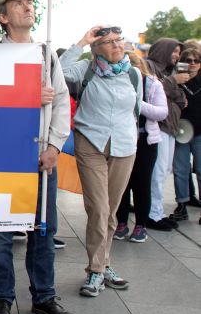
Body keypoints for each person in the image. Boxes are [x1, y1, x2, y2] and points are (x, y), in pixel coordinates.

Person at [0, 0, 75, 314]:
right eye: (18, 4)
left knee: (44, 229)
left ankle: (44, 296)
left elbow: (62, 101)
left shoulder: (46, 53)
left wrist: (54, 146)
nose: (28, 6)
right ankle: (3, 299)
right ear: (4, 17)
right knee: (0, 232)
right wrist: (26, 96)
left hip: (41, 159)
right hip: (2, 158)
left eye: (31, 3)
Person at [60, 26, 142, 297]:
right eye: (108, 42)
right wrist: (82, 41)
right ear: (97, 49)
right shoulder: (86, 69)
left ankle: (104, 264)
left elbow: (136, 111)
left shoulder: (134, 74)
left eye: (119, 40)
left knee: (111, 210)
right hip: (91, 143)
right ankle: (95, 270)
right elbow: (56, 70)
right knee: (98, 207)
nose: (117, 46)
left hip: (124, 146)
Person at [114, 53, 168, 243]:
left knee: (142, 184)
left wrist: (137, 101)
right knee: (122, 183)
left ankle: (140, 225)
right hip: (122, 138)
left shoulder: (153, 84)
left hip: (146, 140)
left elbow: (162, 112)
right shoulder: (116, 82)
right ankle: (120, 223)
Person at [145, 38, 188, 230]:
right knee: (158, 171)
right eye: (175, 51)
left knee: (164, 171)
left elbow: (180, 98)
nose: (177, 55)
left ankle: (158, 211)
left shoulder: (169, 71)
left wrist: (173, 85)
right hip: (157, 127)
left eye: (179, 52)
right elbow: (152, 90)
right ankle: (152, 214)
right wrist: (172, 82)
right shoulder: (149, 66)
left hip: (170, 126)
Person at [171, 48, 201, 222]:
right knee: (180, 170)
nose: (191, 64)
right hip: (181, 130)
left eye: (195, 60)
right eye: (187, 60)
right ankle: (182, 204)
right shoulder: (177, 79)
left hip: (199, 132)